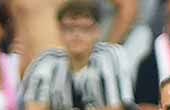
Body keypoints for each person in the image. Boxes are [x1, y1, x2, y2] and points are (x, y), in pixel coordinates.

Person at [21, 0, 131, 110]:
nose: (76, 35)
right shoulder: (46, 61)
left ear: (97, 31)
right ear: (59, 32)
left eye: (84, 29)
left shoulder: (111, 55)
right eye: (69, 29)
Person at [11, 0, 140, 72]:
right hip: (30, 73)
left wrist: (104, 52)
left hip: (76, 71)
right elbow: (20, 28)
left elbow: (128, 7)